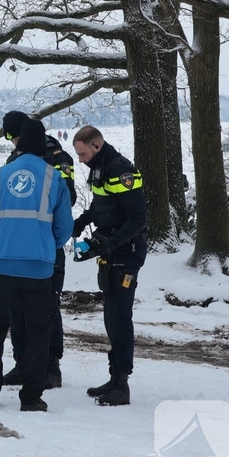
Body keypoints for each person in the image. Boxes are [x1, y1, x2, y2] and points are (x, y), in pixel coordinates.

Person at [0, 119, 73, 412]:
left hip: (1, 265)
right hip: (39, 268)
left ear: (18, 145)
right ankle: (30, 397)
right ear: (42, 149)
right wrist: (44, 245)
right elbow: (64, 228)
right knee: (39, 332)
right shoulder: (55, 179)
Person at [0, 110, 76, 389]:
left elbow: (70, 197)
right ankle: (23, 363)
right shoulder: (15, 160)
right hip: (21, 247)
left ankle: (50, 365)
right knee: (17, 307)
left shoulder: (58, 158)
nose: (10, 142)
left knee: (47, 308)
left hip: (46, 246)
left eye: (11, 135)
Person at [71, 125, 147, 406]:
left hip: (126, 252)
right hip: (112, 252)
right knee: (111, 317)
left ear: (97, 145)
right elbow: (103, 206)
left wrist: (110, 243)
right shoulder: (100, 168)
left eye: (82, 154)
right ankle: (114, 378)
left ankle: (122, 385)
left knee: (120, 318)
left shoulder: (121, 170)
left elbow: (137, 218)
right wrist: (83, 221)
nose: (80, 160)